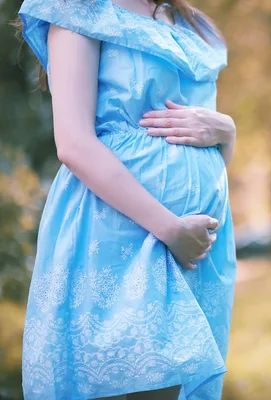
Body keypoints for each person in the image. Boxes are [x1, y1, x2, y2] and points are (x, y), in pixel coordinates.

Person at [15, 0, 237, 398]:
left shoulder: (188, 21)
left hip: (197, 249)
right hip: (119, 233)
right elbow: (74, 143)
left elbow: (203, 154)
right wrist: (170, 228)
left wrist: (227, 131)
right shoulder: (77, 9)